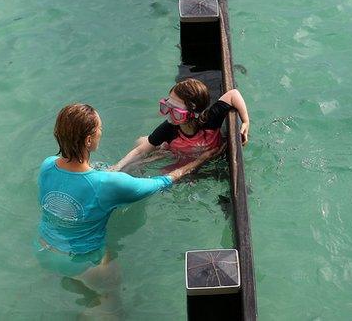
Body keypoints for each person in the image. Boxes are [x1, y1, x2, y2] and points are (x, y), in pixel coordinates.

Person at [35, 103, 221, 314]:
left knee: (79, 284)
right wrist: (200, 160)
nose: (101, 133)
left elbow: (80, 186)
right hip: (86, 265)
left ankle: (79, 294)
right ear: (89, 140)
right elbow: (163, 181)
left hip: (44, 250)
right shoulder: (106, 184)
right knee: (112, 306)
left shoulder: (47, 165)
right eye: (99, 129)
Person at [111, 78, 250, 173]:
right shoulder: (168, 128)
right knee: (140, 153)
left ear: (193, 112)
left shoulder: (210, 119)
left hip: (205, 157)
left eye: (176, 112)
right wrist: (116, 167)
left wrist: (245, 121)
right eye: (166, 107)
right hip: (176, 153)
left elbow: (233, 94)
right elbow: (140, 151)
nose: (169, 115)